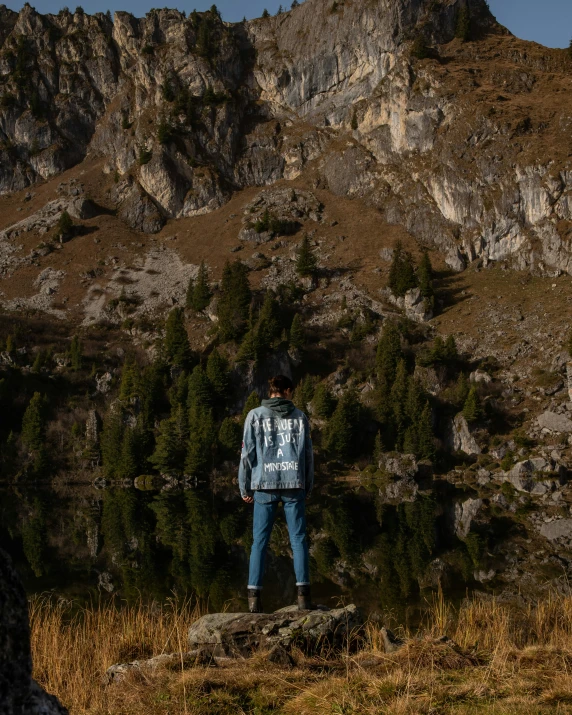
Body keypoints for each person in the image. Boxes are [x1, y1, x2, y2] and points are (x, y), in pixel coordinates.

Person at [238, 375, 314, 613]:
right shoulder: (300, 418)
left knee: (259, 543)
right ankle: (303, 598)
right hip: (294, 485)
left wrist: (244, 487)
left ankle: (254, 600)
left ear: (271, 391)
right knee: (299, 540)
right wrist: (307, 485)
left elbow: (247, 455)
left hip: (264, 485)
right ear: (288, 391)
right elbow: (308, 456)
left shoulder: (254, 416)